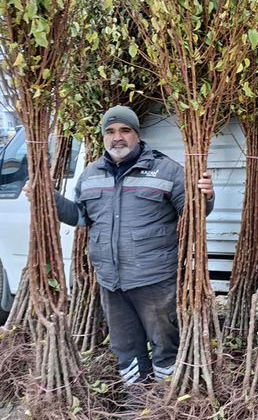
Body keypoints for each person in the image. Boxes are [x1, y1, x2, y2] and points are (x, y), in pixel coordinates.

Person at [29, 105, 215, 384]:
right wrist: (47, 197)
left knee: (165, 343)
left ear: (137, 135)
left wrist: (207, 197)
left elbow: (192, 214)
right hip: (111, 281)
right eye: (111, 131)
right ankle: (137, 397)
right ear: (103, 137)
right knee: (126, 346)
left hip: (154, 279)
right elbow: (80, 216)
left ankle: (165, 399)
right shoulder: (91, 174)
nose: (118, 137)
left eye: (125, 130)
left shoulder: (166, 170)